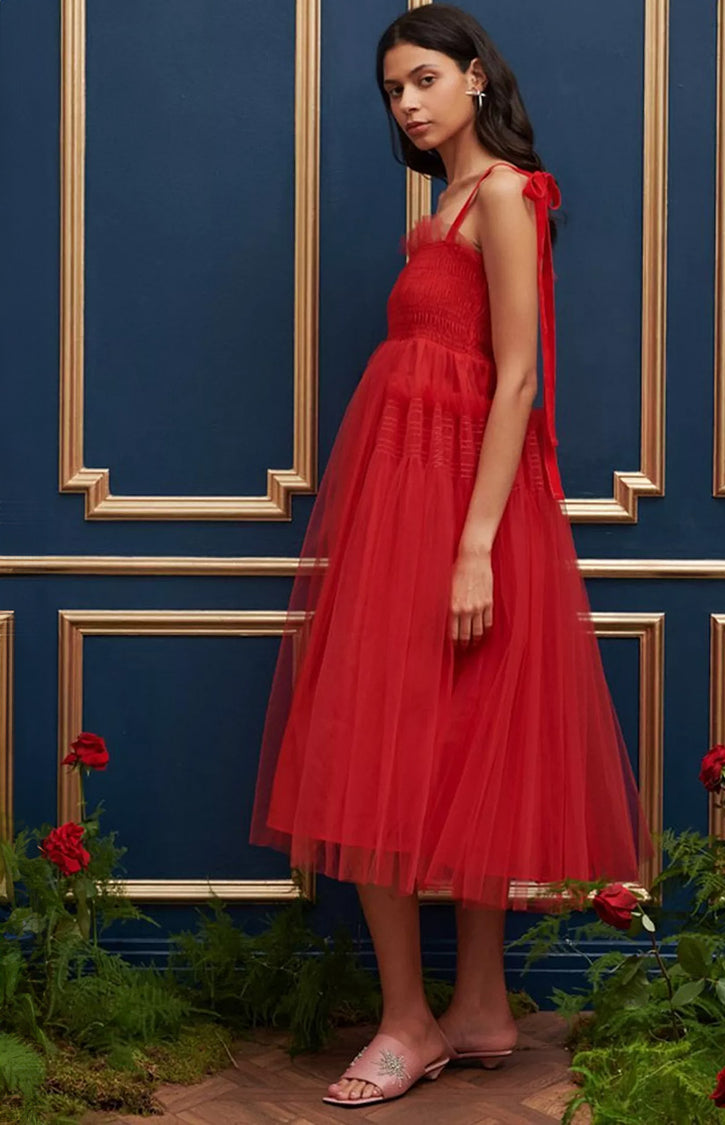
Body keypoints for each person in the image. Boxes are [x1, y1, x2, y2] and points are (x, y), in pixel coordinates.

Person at [249, 2, 652, 1109]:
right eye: (393, 89)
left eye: (425, 78)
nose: (409, 104)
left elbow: (515, 376)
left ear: (478, 77)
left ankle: (425, 1019)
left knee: (443, 736)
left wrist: (475, 546)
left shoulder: (511, 194)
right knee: (406, 736)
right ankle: (451, 1014)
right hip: (404, 501)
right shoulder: (440, 210)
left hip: (464, 513)